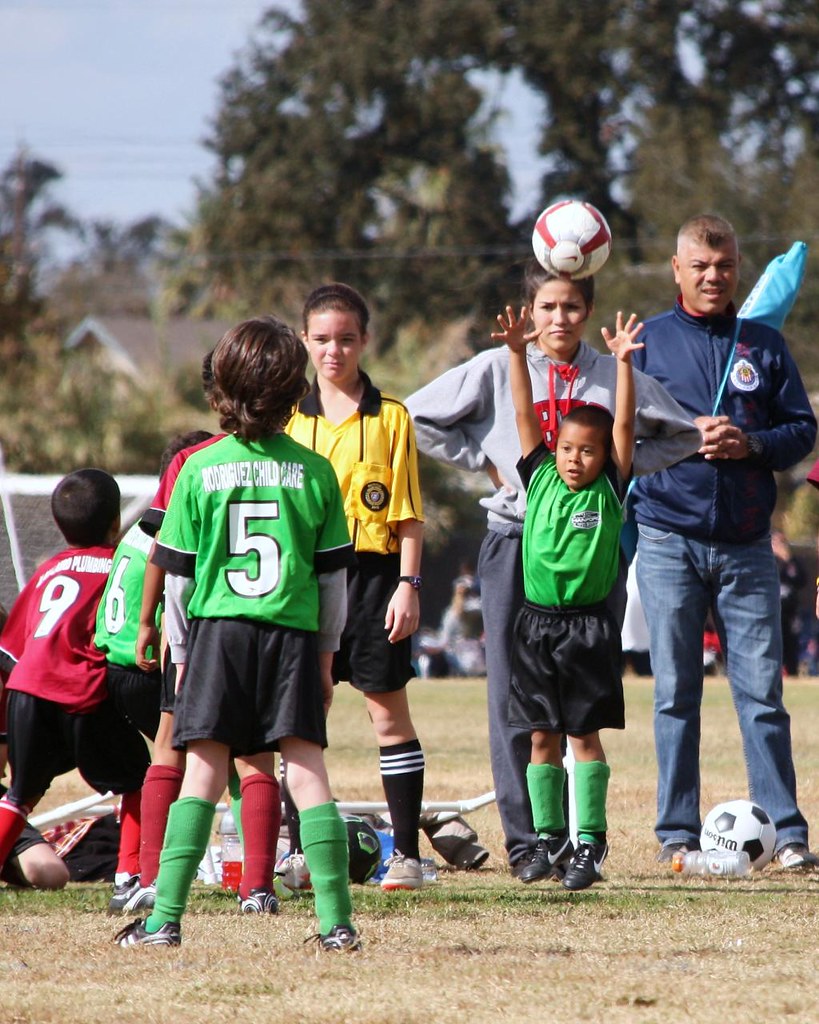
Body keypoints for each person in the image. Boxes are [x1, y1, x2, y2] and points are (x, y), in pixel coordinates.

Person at [406, 259, 701, 877]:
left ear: (587, 309)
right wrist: (487, 463)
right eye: (547, 307)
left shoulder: (607, 375)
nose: (558, 318)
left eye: (570, 306)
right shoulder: (497, 367)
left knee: (582, 705)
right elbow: (415, 415)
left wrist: (621, 475)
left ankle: (583, 842)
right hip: (513, 545)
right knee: (515, 700)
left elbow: (678, 434)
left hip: (590, 559)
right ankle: (528, 843)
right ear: (531, 311)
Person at [114, 314, 361, 951]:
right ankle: (337, 926)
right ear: (293, 391)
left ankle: (164, 920)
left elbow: (176, 580)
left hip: (219, 636)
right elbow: (333, 584)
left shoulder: (197, 468)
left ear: (220, 386)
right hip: (293, 638)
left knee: (201, 770)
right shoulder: (315, 472)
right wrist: (327, 657)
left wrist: (183, 654)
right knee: (306, 770)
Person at [630, 213, 818, 869]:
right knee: (675, 692)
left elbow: (801, 431)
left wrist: (751, 443)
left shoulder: (762, 344)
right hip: (666, 538)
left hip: (745, 545)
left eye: (725, 266)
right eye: (700, 267)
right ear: (676, 270)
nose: (714, 277)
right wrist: (685, 440)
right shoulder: (646, 343)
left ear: (738, 269)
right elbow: (620, 438)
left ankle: (789, 836)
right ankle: (675, 834)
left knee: (762, 694)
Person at [493, 301, 642, 889]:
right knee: (539, 736)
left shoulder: (609, 487)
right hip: (535, 625)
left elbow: (626, 425)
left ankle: (591, 844)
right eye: (568, 449)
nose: (575, 459)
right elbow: (524, 412)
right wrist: (513, 352)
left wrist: (624, 365)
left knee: (583, 735)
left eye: (588, 450)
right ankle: (547, 841)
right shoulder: (541, 476)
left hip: (587, 629)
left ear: (605, 457)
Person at [285, 282, 427, 892]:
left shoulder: (391, 417)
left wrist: (408, 585)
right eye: (322, 340)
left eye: (346, 339)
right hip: (304, 580)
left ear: (365, 340)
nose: (334, 351)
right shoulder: (289, 418)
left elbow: (408, 517)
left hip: (373, 582)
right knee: (299, 718)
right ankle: (297, 852)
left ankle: (409, 856)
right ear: (304, 342)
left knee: (386, 715)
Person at [0, 470, 150, 892]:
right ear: (115, 522)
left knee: (20, 795)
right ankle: (129, 876)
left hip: (27, 690)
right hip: (80, 691)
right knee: (135, 779)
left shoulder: (48, 570)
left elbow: (12, 649)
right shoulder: (117, 565)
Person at [94, 429, 214, 914]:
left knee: (142, 775)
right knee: (210, 757)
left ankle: (129, 872)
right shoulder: (175, 529)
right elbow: (173, 591)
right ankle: (236, 870)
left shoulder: (133, 532)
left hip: (112, 666)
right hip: (146, 664)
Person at [771, 529, 807, 677]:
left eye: (782, 542)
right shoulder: (767, 561)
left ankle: (792, 673)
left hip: (790, 613)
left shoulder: (792, 561)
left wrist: (788, 559)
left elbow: (801, 581)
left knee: (791, 645)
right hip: (772, 612)